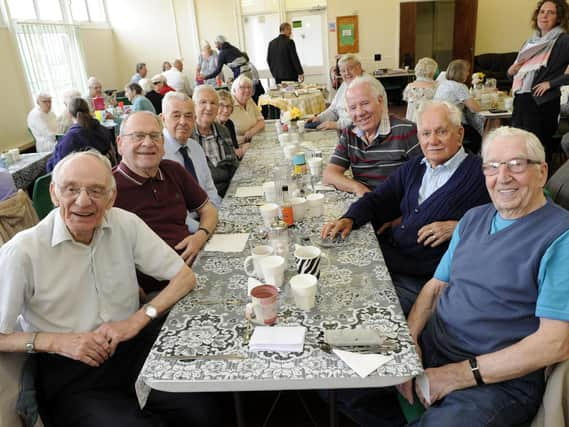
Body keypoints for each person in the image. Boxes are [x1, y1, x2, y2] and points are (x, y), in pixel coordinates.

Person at [0, 150, 223, 426]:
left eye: (96, 190)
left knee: (203, 406)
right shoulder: (22, 252)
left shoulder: (124, 223)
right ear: (54, 193)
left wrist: (137, 320)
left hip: (132, 349)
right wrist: (56, 341)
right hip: (72, 373)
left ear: (111, 197)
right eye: (71, 189)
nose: (83, 201)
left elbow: (184, 277)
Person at [321, 101, 490, 315]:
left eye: (441, 132)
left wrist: (460, 227)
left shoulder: (482, 175)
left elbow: (505, 225)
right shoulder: (417, 166)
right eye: (426, 133)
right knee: (329, 277)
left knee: (359, 309)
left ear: (459, 133)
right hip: (391, 259)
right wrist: (350, 218)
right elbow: (380, 198)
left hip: (425, 281)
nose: (433, 141)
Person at [114, 111, 218, 295]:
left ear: (163, 144)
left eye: (155, 136)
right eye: (138, 136)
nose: (148, 143)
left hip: (196, 265)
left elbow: (208, 210)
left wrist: (200, 236)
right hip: (155, 289)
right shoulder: (107, 188)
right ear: (120, 144)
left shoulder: (173, 170)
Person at [322, 75, 420, 196]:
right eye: (353, 107)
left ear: (380, 101)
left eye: (364, 103)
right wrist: (358, 188)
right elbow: (329, 175)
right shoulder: (349, 133)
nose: (360, 112)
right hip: (367, 204)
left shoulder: (406, 131)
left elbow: (424, 179)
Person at [508, 0, 569, 166]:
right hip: (521, 100)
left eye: (551, 12)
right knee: (519, 147)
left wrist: (551, 83)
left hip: (542, 102)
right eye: (542, 11)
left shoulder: (564, 40)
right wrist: (511, 71)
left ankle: (542, 187)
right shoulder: (530, 41)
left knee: (537, 150)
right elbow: (517, 72)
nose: (545, 15)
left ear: (559, 17)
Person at [161, 92, 222, 233]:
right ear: (163, 119)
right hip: (183, 230)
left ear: (194, 119)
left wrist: (217, 218)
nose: (183, 122)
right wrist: (205, 230)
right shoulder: (157, 154)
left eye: (188, 116)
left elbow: (210, 189)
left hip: (208, 219)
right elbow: (171, 213)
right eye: (176, 115)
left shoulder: (195, 148)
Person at [192, 85, 239, 197]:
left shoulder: (223, 131)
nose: (209, 107)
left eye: (213, 103)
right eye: (203, 102)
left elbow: (234, 165)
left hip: (228, 193)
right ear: (193, 106)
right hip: (201, 199)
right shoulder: (187, 136)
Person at [47, 97, 112, 172]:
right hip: (103, 172)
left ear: (69, 114)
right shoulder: (103, 129)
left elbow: (57, 166)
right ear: (88, 110)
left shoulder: (70, 139)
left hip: (81, 176)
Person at [434, 59, 482, 153]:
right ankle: (470, 159)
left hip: (438, 120)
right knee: (478, 137)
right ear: (461, 72)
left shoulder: (443, 84)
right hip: (452, 123)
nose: (468, 73)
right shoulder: (459, 87)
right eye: (467, 71)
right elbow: (475, 108)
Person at [306, 54, 364, 131]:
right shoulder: (346, 83)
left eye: (350, 69)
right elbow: (334, 109)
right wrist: (320, 118)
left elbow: (360, 119)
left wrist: (337, 125)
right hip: (341, 127)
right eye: (343, 71)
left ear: (359, 67)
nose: (347, 73)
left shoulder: (365, 86)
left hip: (354, 133)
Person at [230, 75, 265, 148]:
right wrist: (244, 141)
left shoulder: (249, 100)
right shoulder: (229, 105)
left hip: (254, 141)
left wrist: (251, 132)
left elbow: (261, 121)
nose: (247, 90)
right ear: (234, 90)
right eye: (242, 87)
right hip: (239, 147)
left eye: (249, 87)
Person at [403, 57, 438, 122]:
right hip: (428, 120)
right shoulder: (435, 86)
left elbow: (406, 99)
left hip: (411, 120)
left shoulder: (409, 86)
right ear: (433, 71)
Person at [216, 89, 241, 158]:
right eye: (221, 105)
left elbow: (236, 149)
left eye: (228, 106)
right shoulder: (210, 127)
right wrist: (242, 150)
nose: (226, 110)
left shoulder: (229, 123)